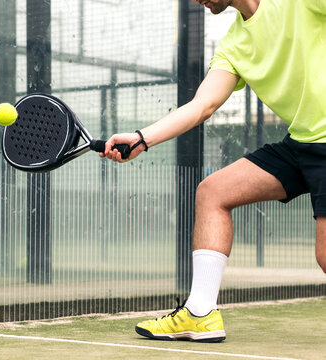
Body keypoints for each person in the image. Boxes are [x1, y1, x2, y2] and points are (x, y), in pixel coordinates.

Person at [101, 0, 326, 342]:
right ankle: (200, 313)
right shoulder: (234, 45)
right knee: (213, 192)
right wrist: (141, 139)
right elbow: (201, 105)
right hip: (302, 142)